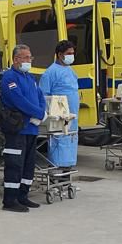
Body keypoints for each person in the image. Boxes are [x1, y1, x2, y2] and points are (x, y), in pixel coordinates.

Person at [0, 44, 47, 212]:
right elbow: (18, 101)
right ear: (16, 59)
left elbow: (40, 97)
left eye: (30, 57)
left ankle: (22, 196)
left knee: (28, 164)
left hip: (31, 128)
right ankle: (10, 201)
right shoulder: (9, 78)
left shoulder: (30, 77)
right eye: (26, 57)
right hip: (17, 129)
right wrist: (37, 113)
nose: (29, 60)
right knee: (15, 164)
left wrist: (42, 113)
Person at [38, 40, 79, 171]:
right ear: (60, 55)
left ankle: (67, 169)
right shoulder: (50, 72)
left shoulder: (70, 70)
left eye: (73, 53)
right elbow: (44, 95)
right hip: (59, 118)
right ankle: (57, 170)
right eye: (69, 53)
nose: (71, 56)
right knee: (59, 142)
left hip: (71, 116)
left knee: (70, 139)